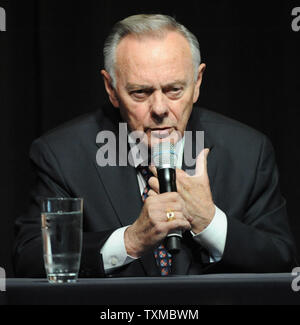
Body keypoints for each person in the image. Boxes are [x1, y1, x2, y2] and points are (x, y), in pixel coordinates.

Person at [14, 14, 296, 277]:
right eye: (140, 92)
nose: (160, 108)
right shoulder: (61, 155)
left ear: (197, 82)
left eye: (174, 90)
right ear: (111, 88)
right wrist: (130, 240)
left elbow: (281, 259)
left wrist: (209, 222)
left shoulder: (248, 151)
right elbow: (28, 257)